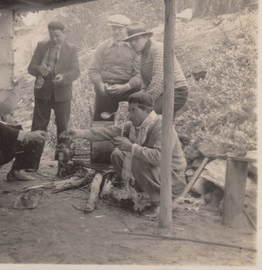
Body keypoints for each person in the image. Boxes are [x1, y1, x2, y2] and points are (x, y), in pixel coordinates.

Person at [62, 91, 187, 220]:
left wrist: (131, 147)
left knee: (137, 159)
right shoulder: (134, 126)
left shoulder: (162, 127)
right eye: (129, 110)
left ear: (147, 110)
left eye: (133, 110)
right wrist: (79, 133)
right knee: (117, 155)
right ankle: (142, 196)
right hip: (156, 173)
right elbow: (108, 132)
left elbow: (160, 158)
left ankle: (158, 204)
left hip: (172, 179)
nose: (129, 115)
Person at [27, 21, 81, 171]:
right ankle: (31, 165)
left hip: (62, 95)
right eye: (51, 35)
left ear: (64, 34)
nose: (54, 39)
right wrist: (39, 69)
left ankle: (63, 166)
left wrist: (63, 77)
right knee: (38, 127)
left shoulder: (71, 50)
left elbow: (76, 71)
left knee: (63, 129)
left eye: (57, 35)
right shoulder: (41, 46)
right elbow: (30, 67)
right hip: (43, 93)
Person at [123, 24, 189, 115]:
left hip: (176, 91)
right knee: (157, 122)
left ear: (146, 37)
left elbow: (158, 81)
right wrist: (137, 102)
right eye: (130, 41)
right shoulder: (142, 57)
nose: (133, 43)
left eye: (136, 39)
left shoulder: (158, 49)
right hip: (162, 92)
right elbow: (145, 86)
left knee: (146, 114)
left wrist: (143, 103)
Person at [88, 14, 141, 121]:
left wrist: (126, 87)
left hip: (129, 87)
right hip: (107, 88)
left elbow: (139, 74)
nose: (116, 32)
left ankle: (131, 133)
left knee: (137, 117)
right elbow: (93, 70)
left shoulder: (134, 47)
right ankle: (103, 134)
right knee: (102, 118)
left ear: (127, 29)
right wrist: (100, 84)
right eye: (113, 28)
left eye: (120, 29)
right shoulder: (102, 47)